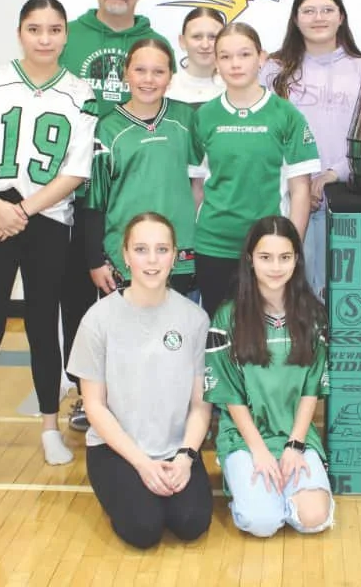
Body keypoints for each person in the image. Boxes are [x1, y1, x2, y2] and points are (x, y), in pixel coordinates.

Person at [0, 0, 98, 480]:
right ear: (20, 32)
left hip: (46, 219)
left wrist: (22, 210)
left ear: (65, 35)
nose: (45, 38)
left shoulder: (80, 94)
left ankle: (48, 426)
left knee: (43, 325)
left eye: (54, 29)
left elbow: (77, 170)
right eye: (35, 29)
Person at [59, 0, 168, 432]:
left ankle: (139, 399)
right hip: (73, 182)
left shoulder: (154, 41)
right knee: (84, 302)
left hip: (129, 188)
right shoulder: (71, 38)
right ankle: (85, 397)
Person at [66, 212, 213, 549]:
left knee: (191, 523)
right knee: (143, 529)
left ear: (175, 256)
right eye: (142, 249)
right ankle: (131, 490)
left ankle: (160, 485)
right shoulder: (98, 320)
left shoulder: (194, 319)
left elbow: (200, 405)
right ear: (126, 255)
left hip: (176, 447)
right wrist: (142, 464)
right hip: (117, 450)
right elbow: (94, 407)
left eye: (162, 250)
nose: (152, 260)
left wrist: (185, 458)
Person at [204, 216, 333, 538]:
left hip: (294, 434)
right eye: (265, 257)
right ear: (250, 261)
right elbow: (230, 395)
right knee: (262, 524)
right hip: (246, 438)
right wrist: (259, 452)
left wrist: (294, 445)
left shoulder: (313, 315)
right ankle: (252, 489)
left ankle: (282, 494)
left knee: (314, 518)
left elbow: (311, 388)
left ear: (297, 260)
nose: (275, 267)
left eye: (285, 257)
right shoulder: (227, 317)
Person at [192, 22, 320, 318]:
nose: (235, 64)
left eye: (244, 54)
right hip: (214, 246)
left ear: (261, 58)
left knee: (263, 340)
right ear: (215, 61)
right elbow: (196, 189)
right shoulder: (204, 116)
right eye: (225, 56)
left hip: (268, 251)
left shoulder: (285, 115)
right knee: (219, 337)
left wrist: (290, 250)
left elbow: (300, 191)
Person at [262, 0, 361, 300]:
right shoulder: (271, 70)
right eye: (308, 10)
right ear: (295, 19)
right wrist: (300, 185)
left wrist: (333, 173)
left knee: (344, 298)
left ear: (341, 17)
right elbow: (263, 137)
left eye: (327, 10)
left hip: (347, 198)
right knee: (292, 298)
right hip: (287, 199)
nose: (318, 17)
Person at [85, 38, 200, 298]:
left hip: (179, 254)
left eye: (158, 72)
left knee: (176, 334)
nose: (148, 79)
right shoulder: (107, 128)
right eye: (140, 70)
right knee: (128, 335)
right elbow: (95, 203)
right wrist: (95, 260)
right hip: (124, 257)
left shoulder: (187, 120)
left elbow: (201, 185)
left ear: (170, 76)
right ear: (126, 73)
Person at [166, 7, 226, 108]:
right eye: (197, 37)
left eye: (213, 37)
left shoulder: (234, 88)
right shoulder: (165, 88)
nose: (205, 45)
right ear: (182, 41)